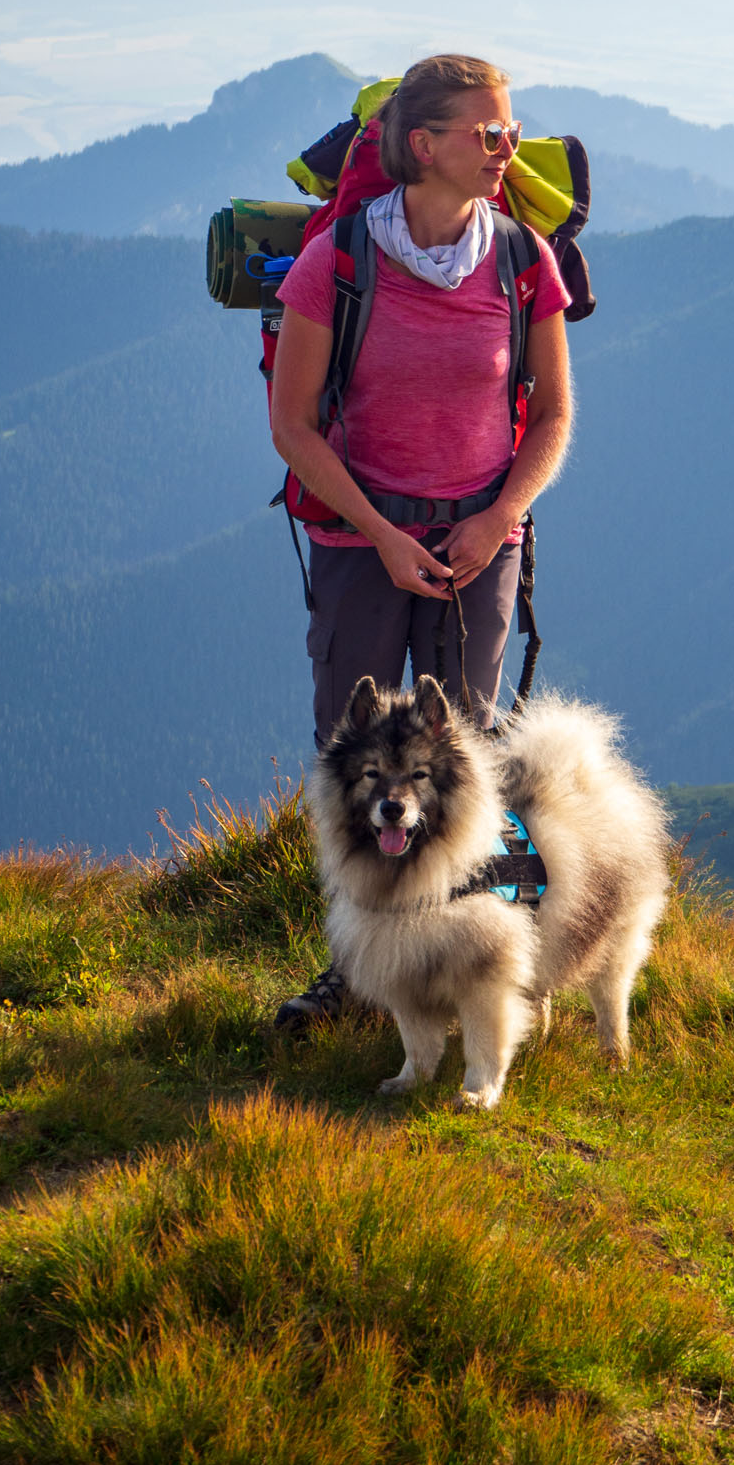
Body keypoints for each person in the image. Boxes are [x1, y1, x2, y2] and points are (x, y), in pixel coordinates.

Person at [269, 54, 573, 1029]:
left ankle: (464, 971)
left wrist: (494, 522)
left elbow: (554, 416)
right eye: (488, 136)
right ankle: (359, 970)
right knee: (356, 756)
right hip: (364, 539)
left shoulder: (525, 259)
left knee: (463, 760)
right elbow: (295, 429)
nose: (505, 153)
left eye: (511, 135)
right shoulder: (340, 260)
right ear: (422, 144)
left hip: (481, 537)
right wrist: (378, 536)